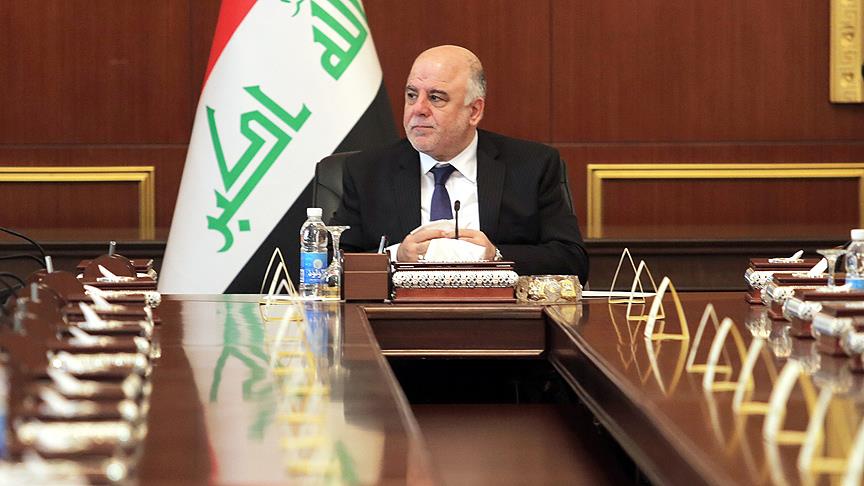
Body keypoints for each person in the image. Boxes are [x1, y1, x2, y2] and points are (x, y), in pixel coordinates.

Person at [331, 45, 589, 283]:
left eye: (436, 98)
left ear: (474, 111)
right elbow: (330, 262)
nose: (418, 109)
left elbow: (572, 259)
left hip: (499, 315)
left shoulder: (531, 166)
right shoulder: (367, 171)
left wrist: (496, 257)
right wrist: (396, 257)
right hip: (398, 317)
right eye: (411, 95)